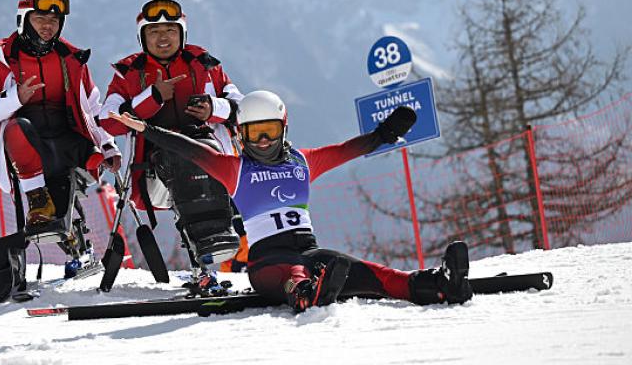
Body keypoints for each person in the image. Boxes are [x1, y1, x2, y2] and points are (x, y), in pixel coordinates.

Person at [108, 90, 474, 313]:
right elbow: (190, 149)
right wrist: (147, 130)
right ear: (240, 135)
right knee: (296, 276)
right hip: (267, 263)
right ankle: (306, 294)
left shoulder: (303, 161)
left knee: (374, 274)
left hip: (310, 253)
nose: (263, 141)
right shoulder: (233, 168)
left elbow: (346, 150)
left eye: (269, 132)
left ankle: (437, 284)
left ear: (284, 129)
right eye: (254, 133)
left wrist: (384, 134)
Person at [98, 0, 244, 266]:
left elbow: (242, 109)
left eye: (170, 31)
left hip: (211, 157)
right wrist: (152, 97)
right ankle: (208, 245)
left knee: (200, 154)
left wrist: (212, 108)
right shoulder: (128, 73)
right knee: (180, 154)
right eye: (154, 32)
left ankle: (224, 248)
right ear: (142, 38)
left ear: (182, 34)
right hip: (155, 170)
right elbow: (108, 119)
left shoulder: (206, 65)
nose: (162, 38)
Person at [0, 0, 121, 232]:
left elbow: (92, 108)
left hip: (68, 142)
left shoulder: (72, 60)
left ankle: (77, 234)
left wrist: (109, 145)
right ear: (24, 20)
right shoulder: (2, 61)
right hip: (27, 145)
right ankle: (38, 201)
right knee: (18, 128)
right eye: (40, 18)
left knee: (92, 159)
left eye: (54, 20)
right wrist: (15, 97)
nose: (48, 25)